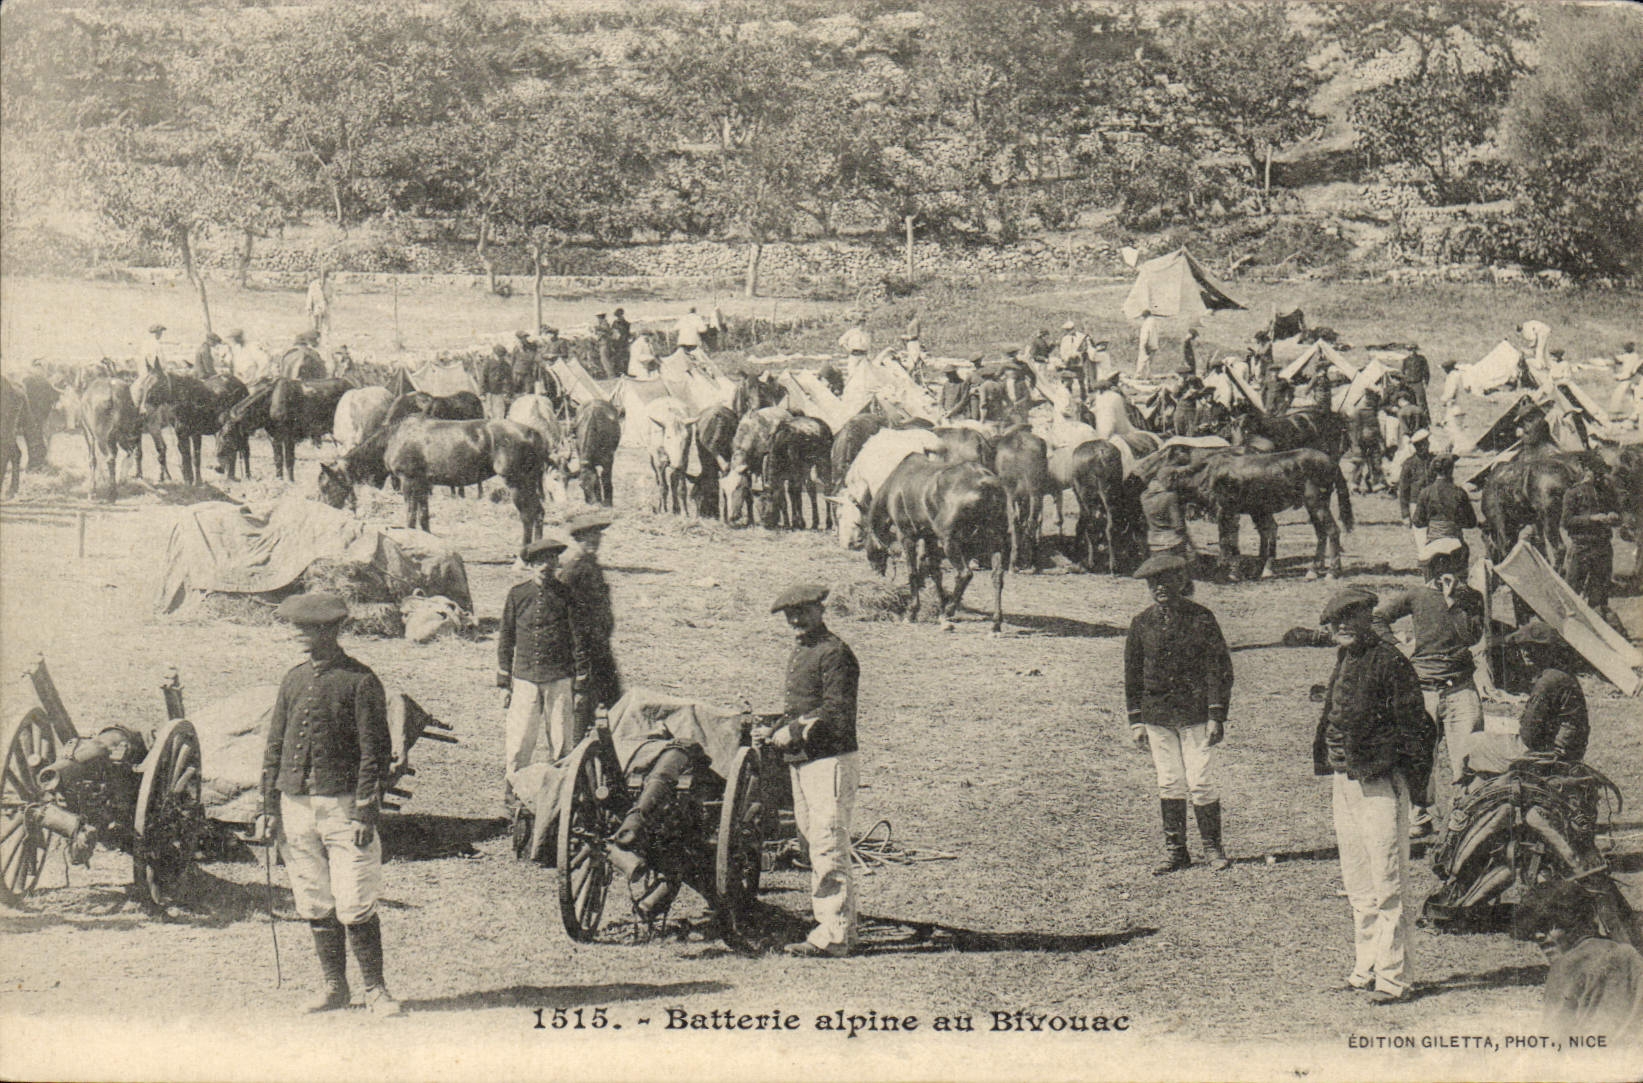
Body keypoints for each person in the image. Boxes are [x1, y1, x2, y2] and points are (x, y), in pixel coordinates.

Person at [256, 593, 400, 1016]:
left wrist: (364, 812)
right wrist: (268, 807)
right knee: (314, 898)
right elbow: (275, 746)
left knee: (355, 900)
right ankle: (335, 988)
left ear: (330, 631)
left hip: (342, 808)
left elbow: (375, 753)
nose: (298, 635)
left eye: (306, 629)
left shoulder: (360, 681)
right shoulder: (293, 679)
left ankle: (375, 990)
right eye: (296, 628)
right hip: (295, 804)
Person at [1312, 587, 1434, 1005]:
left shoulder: (1390, 662)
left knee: (1388, 882)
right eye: (1336, 621)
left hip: (1380, 783)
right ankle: (1366, 967)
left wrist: (1407, 781)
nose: (1342, 626)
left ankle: (1394, 977)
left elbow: (1418, 728)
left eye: (1351, 618)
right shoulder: (1346, 658)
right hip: (1344, 780)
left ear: (1369, 619)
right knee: (1358, 881)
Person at [761, 583, 861, 958]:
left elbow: (836, 715)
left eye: (803, 612)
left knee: (827, 845)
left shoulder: (835, 654)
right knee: (813, 843)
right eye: (790, 615)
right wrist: (773, 730)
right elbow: (798, 708)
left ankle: (833, 937)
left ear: (821, 610)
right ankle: (839, 928)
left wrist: (796, 731)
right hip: (804, 761)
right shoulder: (803, 651)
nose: (796, 620)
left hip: (829, 761)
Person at [1124, 553, 1234, 874]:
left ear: (1182, 582)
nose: (1160, 588)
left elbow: (1219, 669)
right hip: (1157, 716)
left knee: (1200, 780)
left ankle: (1213, 848)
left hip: (1195, 714)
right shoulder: (1141, 624)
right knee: (1169, 782)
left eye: (1167, 581)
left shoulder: (1202, 619)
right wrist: (1136, 720)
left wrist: (1216, 714)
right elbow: (1132, 676)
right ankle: (1176, 851)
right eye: (1153, 583)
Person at [1371, 540, 1485, 839]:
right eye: (1439, 564)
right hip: (1424, 690)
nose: (1446, 571)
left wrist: (1452, 603)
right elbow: (1377, 619)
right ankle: (1419, 817)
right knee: (1421, 756)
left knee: (1468, 755)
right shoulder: (1416, 595)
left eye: (1453, 563)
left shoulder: (1471, 599)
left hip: (1461, 688)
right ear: (1430, 567)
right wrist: (1400, 646)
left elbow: (1471, 636)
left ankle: (1464, 815)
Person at [497, 533, 584, 815]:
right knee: (520, 742)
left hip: (559, 678)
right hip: (524, 679)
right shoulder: (517, 595)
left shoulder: (568, 596)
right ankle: (513, 799)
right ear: (530, 565)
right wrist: (503, 683)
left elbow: (578, 640)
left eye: (551, 560)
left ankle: (561, 801)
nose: (546, 566)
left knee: (561, 743)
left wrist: (580, 681)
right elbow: (506, 639)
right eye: (540, 562)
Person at [1516, 879, 1643, 1043]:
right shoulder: (1629, 954)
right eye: (1536, 928)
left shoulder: (1566, 967)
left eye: (1549, 925)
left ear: (1575, 922)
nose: (1539, 936)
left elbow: (1551, 1043)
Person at [560, 512, 621, 736]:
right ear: (577, 540)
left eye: (597, 537)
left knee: (613, 704)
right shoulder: (573, 570)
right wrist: (580, 656)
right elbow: (568, 616)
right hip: (582, 650)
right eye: (588, 538)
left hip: (599, 647)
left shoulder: (591, 566)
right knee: (582, 706)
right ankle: (574, 759)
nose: (594, 542)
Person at [1506, 621, 1589, 763]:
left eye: (1532, 648)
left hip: (1554, 754)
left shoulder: (1547, 682)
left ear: (1548, 650)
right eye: (1523, 648)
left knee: (1479, 744)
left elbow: (1529, 735)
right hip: (1570, 747)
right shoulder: (1561, 673)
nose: (1525, 653)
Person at [1560, 470, 1621, 628]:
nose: (1596, 475)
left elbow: (1618, 515)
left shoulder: (1605, 492)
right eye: (1593, 470)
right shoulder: (1572, 493)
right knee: (1572, 592)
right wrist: (1591, 518)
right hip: (1582, 548)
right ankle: (1569, 630)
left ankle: (1597, 630)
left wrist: (1613, 516)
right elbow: (1566, 521)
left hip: (1603, 548)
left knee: (1599, 594)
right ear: (1585, 471)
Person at [1411, 454, 1478, 567]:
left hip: (1433, 543)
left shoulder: (1425, 492)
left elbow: (1417, 522)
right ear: (1451, 470)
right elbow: (1471, 522)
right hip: (1455, 543)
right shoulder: (1459, 492)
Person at [1141, 464, 1197, 565]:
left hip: (1153, 543)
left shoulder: (1144, 496)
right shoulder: (1170, 497)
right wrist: (1191, 543)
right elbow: (1178, 526)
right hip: (1171, 543)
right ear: (1170, 479)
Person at [1348, 389, 1386, 494]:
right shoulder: (1358, 412)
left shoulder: (1374, 412)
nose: (1372, 402)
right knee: (1359, 463)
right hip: (1361, 442)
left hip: (1373, 441)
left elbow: (1377, 428)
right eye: (1370, 399)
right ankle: (1354, 485)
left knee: (1376, 462)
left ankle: (1377, 485)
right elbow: (1355, 430)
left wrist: (1381, 441)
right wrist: (1355, 445)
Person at [1395, 430, 1434, 527]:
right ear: (1419, 446)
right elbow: (1403, 491)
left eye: (1427, 442)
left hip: (1434, 503)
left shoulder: (1434, 461)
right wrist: (1405, 515)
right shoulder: (1409, 464)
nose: (1428, 445)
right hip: (1416, 504)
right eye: (1425, 443)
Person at [480, 344, 512, 419]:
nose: (500, 358)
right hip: (489, 392)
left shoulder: (506, 365)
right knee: (488, 412)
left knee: (499, 412)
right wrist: (482, 393)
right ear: (494, 354)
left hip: (500, 393)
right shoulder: (488, 364)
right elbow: (483, 378)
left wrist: (507, 392)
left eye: (502, 356)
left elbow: (509, 380)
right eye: (499, 356)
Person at [1401, 346, 1430, 417]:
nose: (1412, 351)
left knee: (1421, 402)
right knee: (1410, 402)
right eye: (1410, 350)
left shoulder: (1421, 359)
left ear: (1416, 350)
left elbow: (1426, 371)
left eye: (1413, 349)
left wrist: (1426, 382)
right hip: (1408, 384)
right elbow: (1402, 372)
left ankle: (1425, 420)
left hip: (1418, 383)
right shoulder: (1406, 360)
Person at [306, 269, 333, 340]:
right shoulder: (313, 284)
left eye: (323, 277)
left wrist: (328, 301)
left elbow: (330, 296)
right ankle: (316, 339)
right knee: (316, 325)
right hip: (316, 307)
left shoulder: (328, 284)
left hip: (325, 306)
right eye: (320, 277)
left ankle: (326, 340)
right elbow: (310, 296)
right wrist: (309, 307)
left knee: (326, 326)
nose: (322, 279)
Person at [509, 331, 538, 396]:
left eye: (525, 338)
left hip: (528, 372)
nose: (523, 340)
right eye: (521, 338)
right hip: (517, 372)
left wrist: (522, 350)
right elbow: (512, 361)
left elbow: (531, 358)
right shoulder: (516, 348)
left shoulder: (532, 346)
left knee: (529, 392)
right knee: (516, 391)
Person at [1135, 309, 1161, 377]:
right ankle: (1148, 375)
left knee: (1142, 360)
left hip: (1147, 344)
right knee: (1150, 362)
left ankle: (1139, 375)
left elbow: (1145, 334)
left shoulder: (1147, 323)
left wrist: (1144, 344)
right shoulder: (1154, 322)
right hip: (1154, 344)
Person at [610, 308, 632, 376]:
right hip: (622, 342)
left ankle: (622, 372)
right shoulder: (625, 323)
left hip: (620, 342)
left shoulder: (619, 323)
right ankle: (622, 372)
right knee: (623, 357)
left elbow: (614, 333)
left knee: (622, 357)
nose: (619, 317)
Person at [592, 313, 614, 379]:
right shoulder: (603, 324)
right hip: (603, 344)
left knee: (605, 359)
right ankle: (609, 374)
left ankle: (611, 375)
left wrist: (598, 329)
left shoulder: (604, 323)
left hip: (604, 344)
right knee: (604, 359)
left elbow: (606, 331)